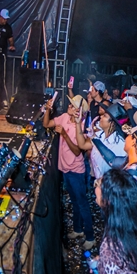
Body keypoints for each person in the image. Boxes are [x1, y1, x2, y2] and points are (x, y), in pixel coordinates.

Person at [43, 94, 95, 250]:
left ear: (79, 111)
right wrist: (47, 109)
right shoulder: (65, 117)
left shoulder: (82, 127)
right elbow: (46, 124)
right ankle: (78, 229)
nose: (69, 106)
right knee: (74, 202)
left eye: (73, 106)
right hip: (65, 169)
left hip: (77, 172)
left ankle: (90, 236)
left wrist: (64, 135)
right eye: (70, 104)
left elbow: (78, 151)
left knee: (83, 204)